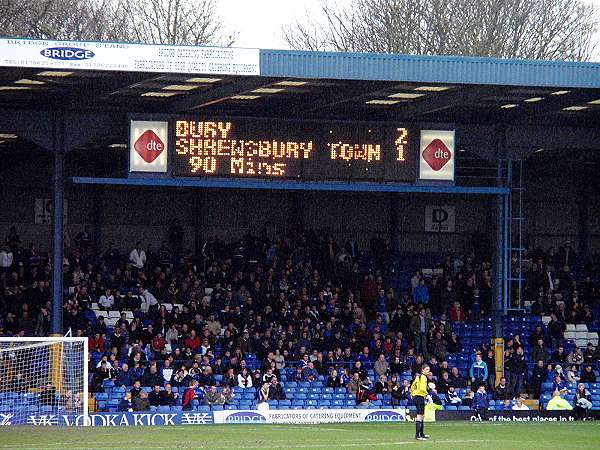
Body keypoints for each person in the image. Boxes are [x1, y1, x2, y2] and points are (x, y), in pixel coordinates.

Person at [410, 363, 430, 441]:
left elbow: (412, 387)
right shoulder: (423, 377)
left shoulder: (418, 377)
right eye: (426, 369)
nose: (428, 371)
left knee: (421, 416)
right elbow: (422, 389)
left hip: (416, 396)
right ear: (422, 370)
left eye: (429, 370)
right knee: (419, 416)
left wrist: (412, 394)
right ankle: (417, 436)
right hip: (419, 397)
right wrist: (427, 395)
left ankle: (421, 434)